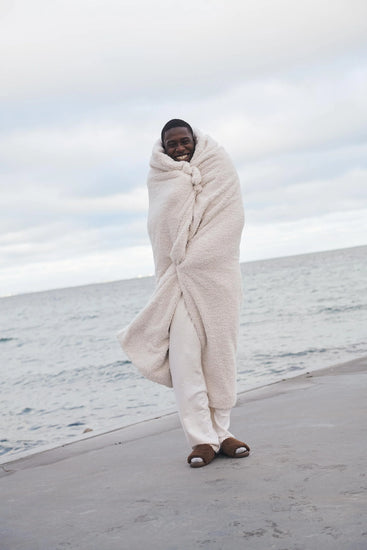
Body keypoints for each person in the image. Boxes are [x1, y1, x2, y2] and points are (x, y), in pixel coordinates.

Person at [118, 119, 250, 468]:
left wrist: (199, 259)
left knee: (220, 356)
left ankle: (222, 433)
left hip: (215, 278)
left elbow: (230, 220)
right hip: (176, 282)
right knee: (185, 359)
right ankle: (201, 440)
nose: (179, 149)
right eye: (171, 144)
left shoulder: (219, 166)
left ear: (195, 140)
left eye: (184, 141)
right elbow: (159, 229)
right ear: (163, 147)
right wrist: (182, 262)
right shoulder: (159, 178)